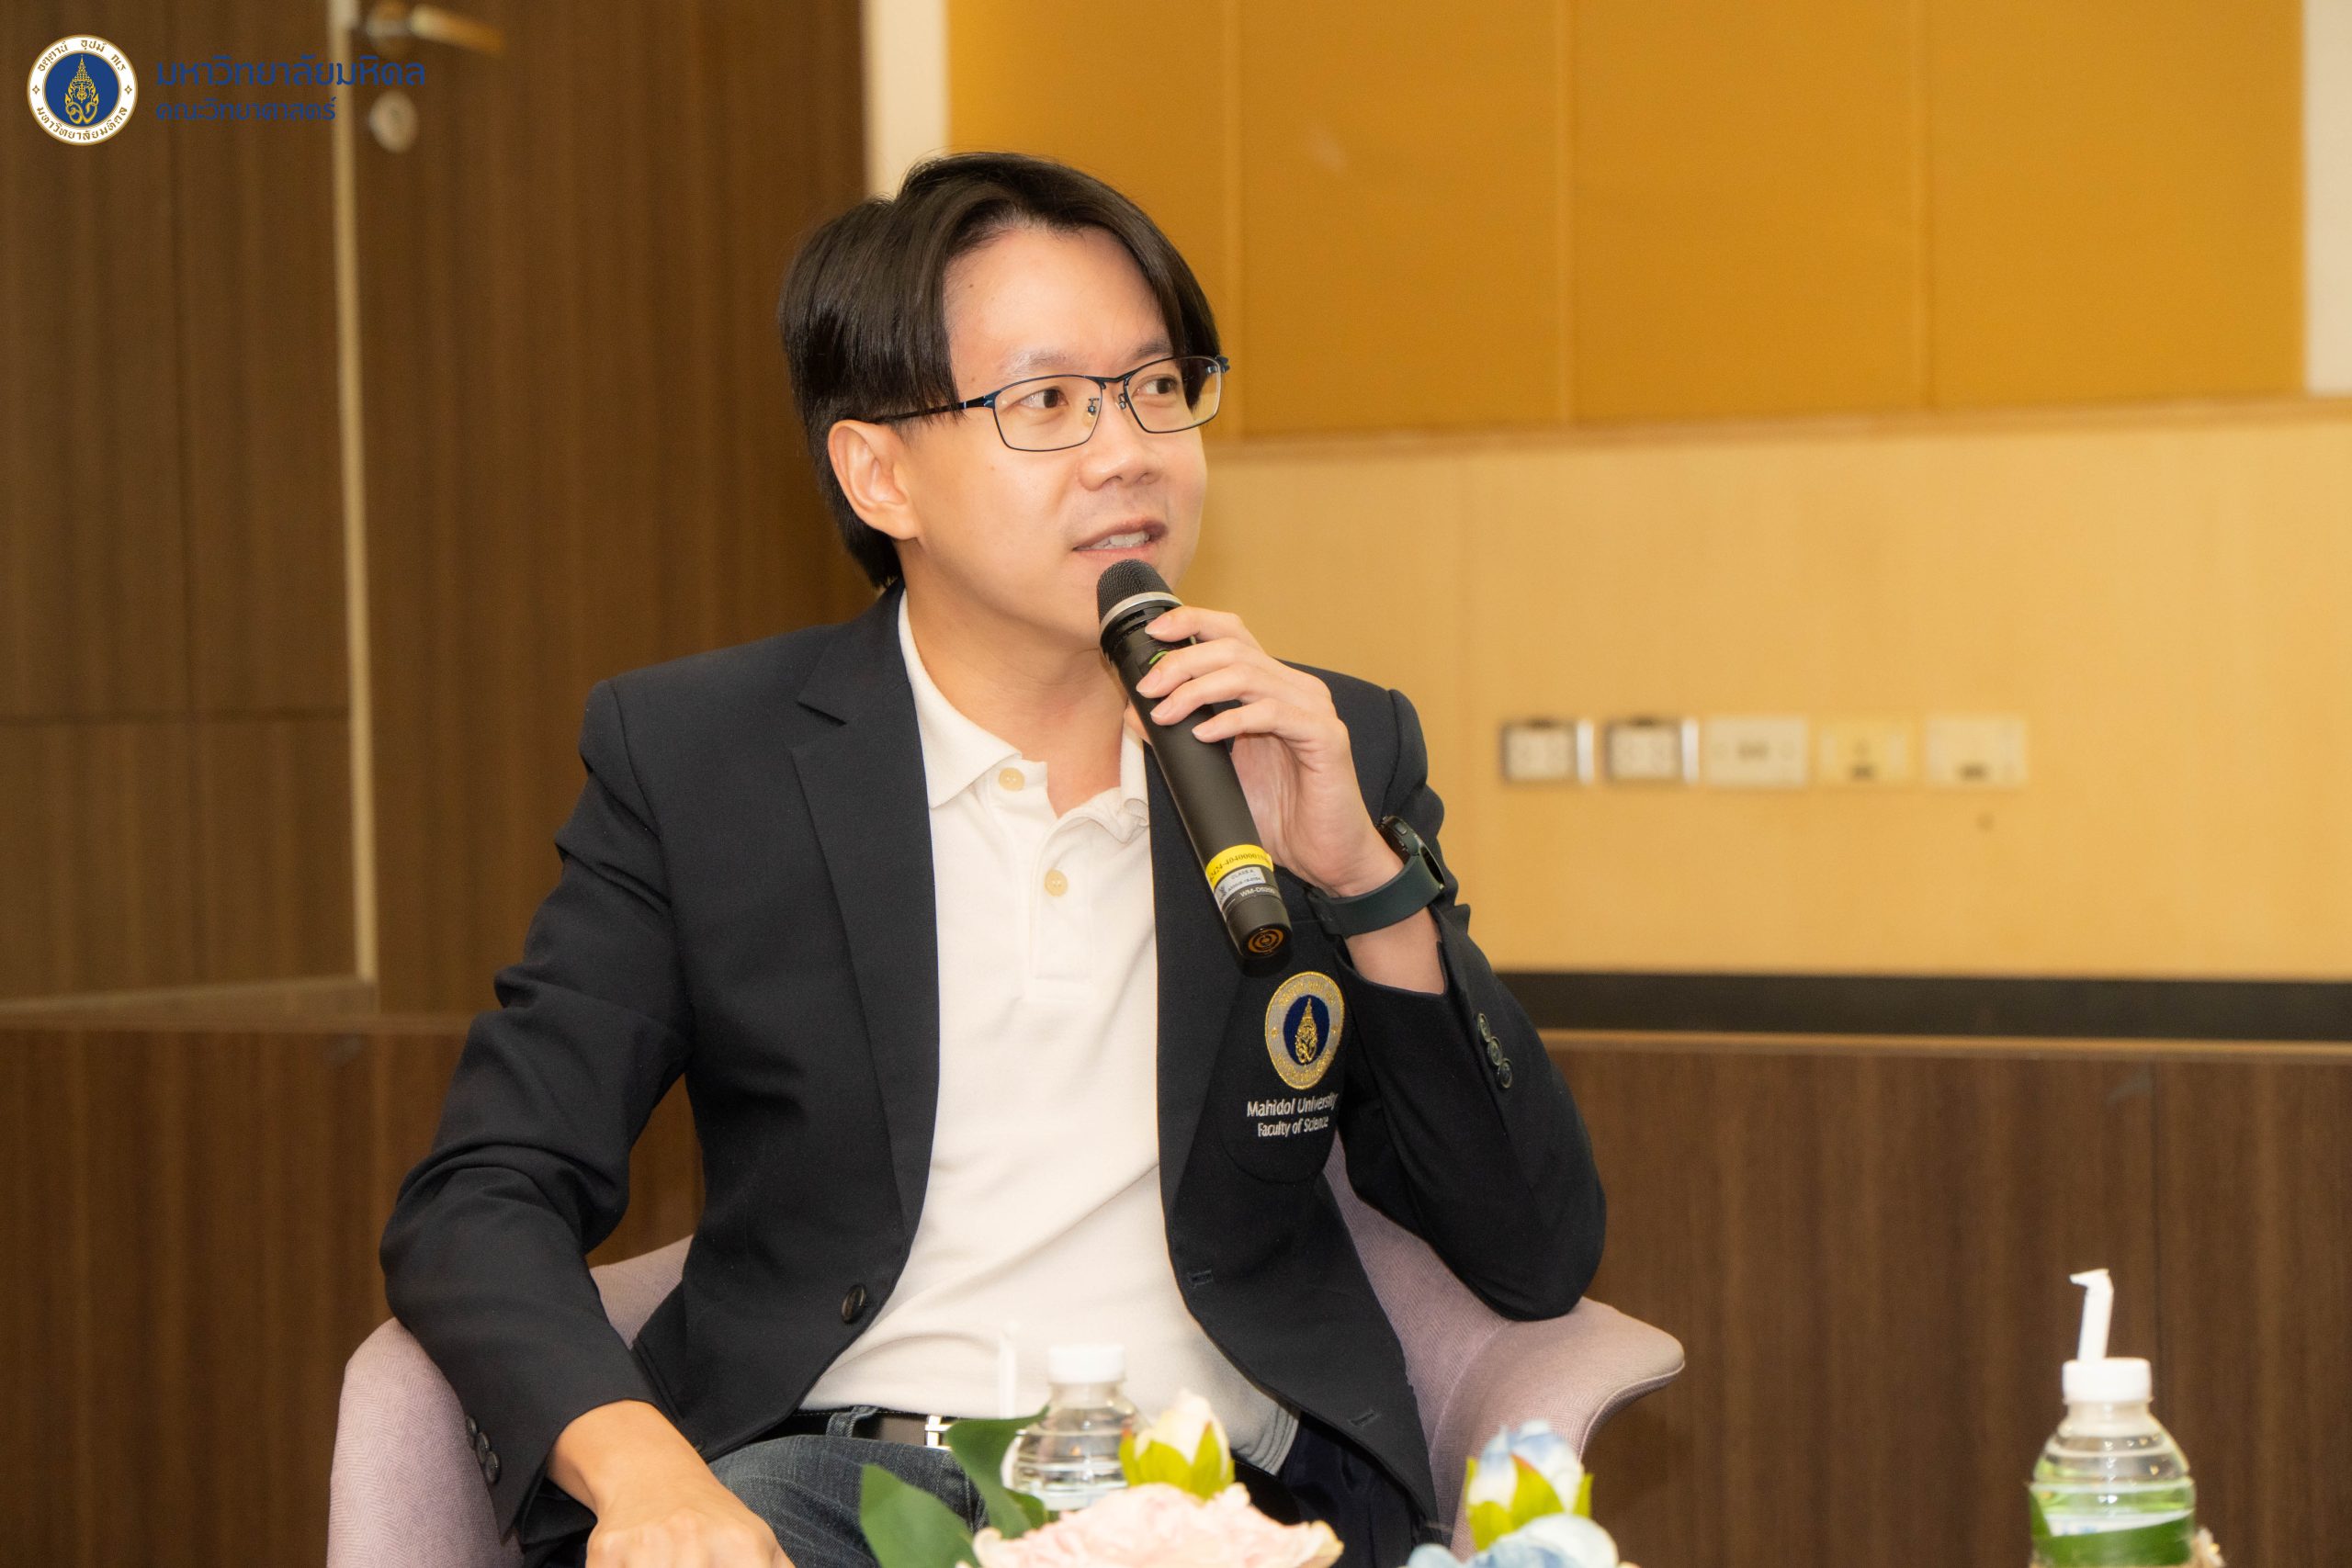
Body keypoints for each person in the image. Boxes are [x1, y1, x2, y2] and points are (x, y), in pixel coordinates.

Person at [379, 151, 1605, 1568]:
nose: (1127, 449)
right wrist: (648, 1474)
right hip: (834, 1496)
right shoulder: (707, 763)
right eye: (1048, 401)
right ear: (879, 473)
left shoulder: (1319, 744)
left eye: (1156, 387)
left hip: (1230, 1498)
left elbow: (1533, 1252)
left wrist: (1368, 887)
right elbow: (485, 1193)